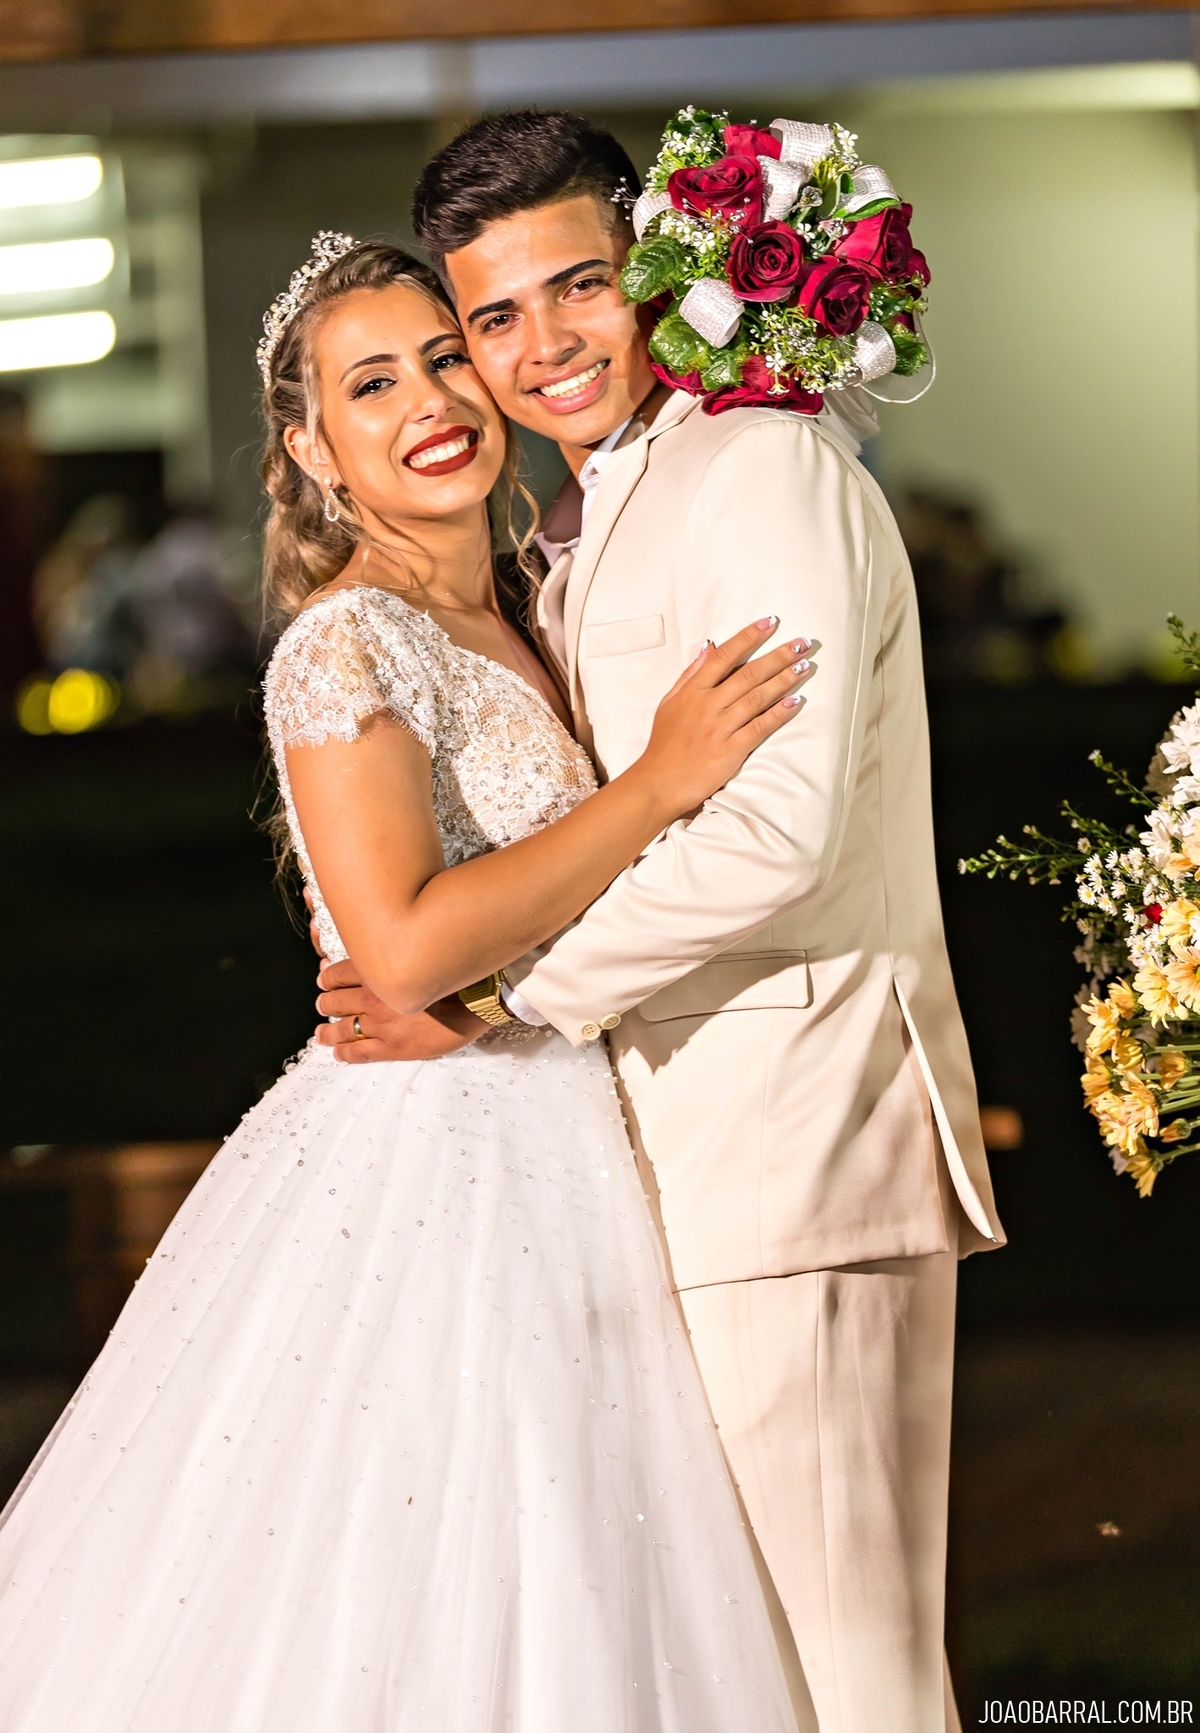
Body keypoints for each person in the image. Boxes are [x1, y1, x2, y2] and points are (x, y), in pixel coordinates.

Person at [0, 237, 813, 1731]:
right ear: (313, 447)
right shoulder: (345, 640)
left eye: (445, 359)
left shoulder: (525, 604)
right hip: (441, 1164)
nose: (431, 401)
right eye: (371, 384)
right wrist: (659, 782)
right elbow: (409, 947)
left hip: (578, 1131)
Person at [316, 112, 1007, 1733]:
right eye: (495, 317)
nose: (544, 345)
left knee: (851, 1672)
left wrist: (503, 994)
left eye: (581, 287)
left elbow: (777, 836)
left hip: (792, 1144)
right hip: (671, 1168)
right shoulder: (579, 525)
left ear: (660, 272)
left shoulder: (758, 464)